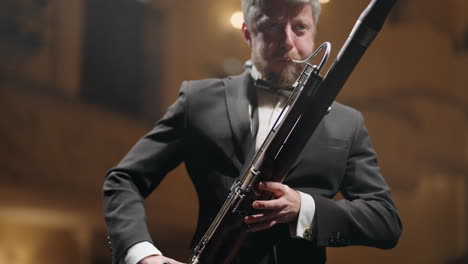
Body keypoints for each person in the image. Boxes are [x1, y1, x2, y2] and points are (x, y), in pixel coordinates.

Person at [103, 0, 402, 263]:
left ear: (314, 32)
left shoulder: (346, 123)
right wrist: (142, 254)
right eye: (272, 26)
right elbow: (123, 179)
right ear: (247, 32)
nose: (287, 41)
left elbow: (385, 221)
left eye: (300, 28)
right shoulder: (199, 101)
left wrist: (304, 208)